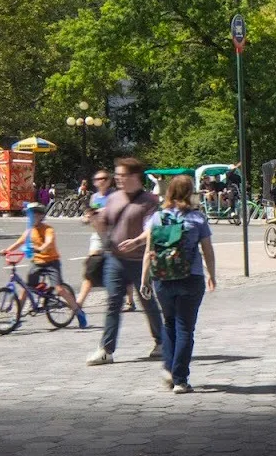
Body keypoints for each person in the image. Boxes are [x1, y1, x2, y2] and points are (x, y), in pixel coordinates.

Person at [141, 175, 217, 393]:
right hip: (191, 278)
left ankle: (170, 369)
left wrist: (144, 280)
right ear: (190, 192)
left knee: (168, 323)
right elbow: (208, 251)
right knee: (185, 328)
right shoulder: (197, 219)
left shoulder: (156, 218)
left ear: (169, 192)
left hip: (162, 279)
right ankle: (180, 379)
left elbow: (149, 252)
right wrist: (211, 274)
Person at [86, 157, 163, 366]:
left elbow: (152, 229)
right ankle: (106, 349)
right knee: (113, 302)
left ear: (135, 176)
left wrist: (137, 242)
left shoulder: (149, 201)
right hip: (115, 259)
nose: (118, 178)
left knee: (147, 300)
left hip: (140, 261)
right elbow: (105, 225)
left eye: (122, 175)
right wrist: (94, 220)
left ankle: (161, 342)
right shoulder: (113, 198)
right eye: (117, 175)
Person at [0, 202, 88, 328]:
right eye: (30, 215)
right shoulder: (29, 230)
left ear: (41, 216)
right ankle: (17, 318)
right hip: (37, 262)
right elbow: (20, 242)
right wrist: (7, 250)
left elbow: (49, 242)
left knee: (59, 288)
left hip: (52, 262)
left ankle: (78, 311)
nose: (31, 218)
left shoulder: (48, 229)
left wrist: (42, 248)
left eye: (34, 215)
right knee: (26, 289)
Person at [77, 168, 114, 311]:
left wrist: (100, 212)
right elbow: (90, 213)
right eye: (97, 179)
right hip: (98, 235)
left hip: (113, 235)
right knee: (91, 267)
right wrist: (87, 218)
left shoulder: (114, 196)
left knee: (118, 269)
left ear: (109, 180)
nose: (100, 181)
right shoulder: (94, 197)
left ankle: (129, 299)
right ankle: (79, 302)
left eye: (104, 178)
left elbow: (113, 212)